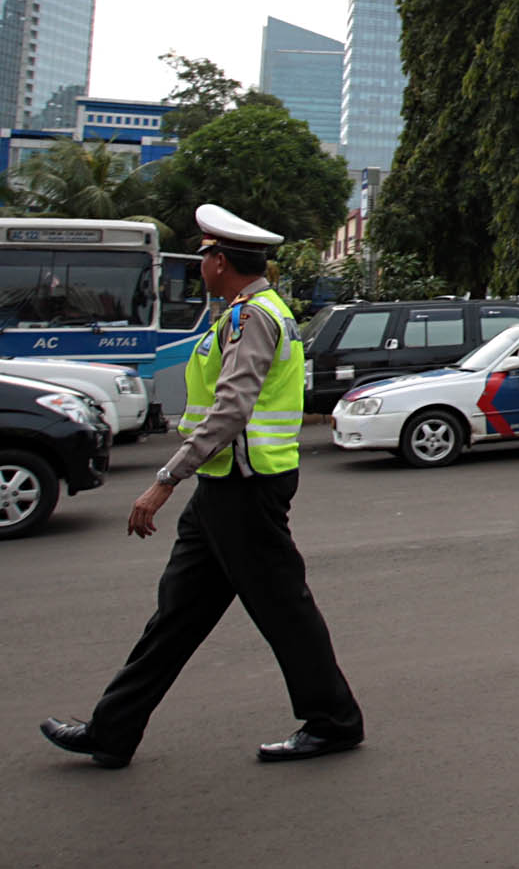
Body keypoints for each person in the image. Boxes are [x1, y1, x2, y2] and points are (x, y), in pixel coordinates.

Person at [40, 204, 364, 768]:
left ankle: (333, 721)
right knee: (177, 615)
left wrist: (164, 480)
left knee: (283, 608)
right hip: (225, 485)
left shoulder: (254, 317)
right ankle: (112, 731)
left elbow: (231, 409)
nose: (203, 262)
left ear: (222, 260)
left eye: (207, 252)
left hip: (246, 486)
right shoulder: (246, 311)